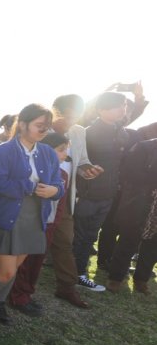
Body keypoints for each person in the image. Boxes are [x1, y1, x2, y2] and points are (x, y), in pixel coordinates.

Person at [0, 104, 63, 324]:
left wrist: (54, 190)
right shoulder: (4, 151)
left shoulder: (48, 152)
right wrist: (28, 186)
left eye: (47, 127)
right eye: (39, 126)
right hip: (7, 218)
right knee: (6, 272)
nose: (44, 131)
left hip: (34, 219)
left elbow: (59, 184)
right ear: (22, 124)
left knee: (15, 268)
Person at [47, 94, 105, 307]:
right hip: (39, 197)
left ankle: (66, 288)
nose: (72, 120)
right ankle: (17, 288)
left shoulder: (79, 132)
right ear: (56, 111)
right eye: (68, 115)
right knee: (32, 244)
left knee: (64, 243)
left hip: (64, 200)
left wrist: (87, 170)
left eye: (76, 115)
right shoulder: (40, 128)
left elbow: (82, 160)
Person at [7, 132, 72, 315]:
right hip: (29, 224)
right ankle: (16, 296)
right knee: (23, 262)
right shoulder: (33, 171)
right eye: (60, 150)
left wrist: (54, 223)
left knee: (37, 262)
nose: (64, 154)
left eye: (66, 149)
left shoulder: (63, 175)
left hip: (48, 226)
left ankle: (26, 293)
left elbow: (60, 205)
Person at [73, 92, 131, 291]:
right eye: (118, 106)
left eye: (124, 105)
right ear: (102, 109)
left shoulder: (121, 131)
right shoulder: (88, 132)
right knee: (82, 235)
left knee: (90, 237)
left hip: (108, 194)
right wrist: (85, 172)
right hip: (88, 193)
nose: (123, 109)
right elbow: (76, 162)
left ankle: (77, 272)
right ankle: (76, 274)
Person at [105, 138, 157, 294]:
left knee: (153, 245)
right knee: (129, 239)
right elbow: (129, 172)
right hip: (140, 201)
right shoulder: (144, 146)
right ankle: (115, 277)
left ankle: (141, 279)